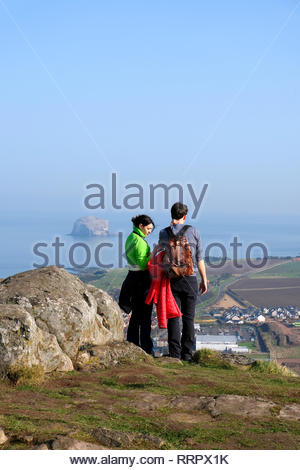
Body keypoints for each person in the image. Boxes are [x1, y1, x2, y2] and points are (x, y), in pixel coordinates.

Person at [158, 202, 208, 361]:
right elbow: (199, 259)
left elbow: (162, 256)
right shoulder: (194, 231)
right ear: (185, 216)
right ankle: (187, 354)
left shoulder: (163, 233)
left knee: (173, 317)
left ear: (171, 215)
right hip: (190, 279)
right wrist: (204, 280)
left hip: (172, 280)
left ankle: (174, 354)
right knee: (189, 319)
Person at [118, 214, 154, 354]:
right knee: (145, 316)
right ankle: (146, 349)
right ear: (141, 226)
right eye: (148, 228)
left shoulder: (131, 237)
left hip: (133, 277)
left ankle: (133, 345)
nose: (149, 231)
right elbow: (142, 263)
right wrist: (152, 257)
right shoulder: (138, 240)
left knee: (136, 315)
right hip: (142, 279)